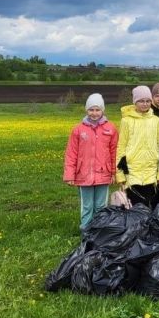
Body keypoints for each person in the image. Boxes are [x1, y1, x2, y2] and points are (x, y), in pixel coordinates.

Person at [63, 93, 118, 229]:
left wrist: (114, 173)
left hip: (103, 174)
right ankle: (86, 231)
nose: (94, 113)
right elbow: (71, 153)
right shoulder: (78, 129)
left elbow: (114, 152)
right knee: (87, 206)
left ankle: (99, 231)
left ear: (103, 110)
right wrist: (70, 175)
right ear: (86, 110)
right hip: (83, 175)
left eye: (97, 109)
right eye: (91, 110)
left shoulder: (111, 128)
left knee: (101, 206)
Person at [116, 86, 159, 208]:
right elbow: (121, 147)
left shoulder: (157, 121)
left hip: (151, 170)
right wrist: (120, 174)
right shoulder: (126, 121)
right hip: (132, 171)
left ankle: (149, 227)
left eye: (148, 101)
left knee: (150, 206)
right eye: (141, 101)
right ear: (135, 102)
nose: (145, 104)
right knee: (135, 206)